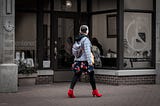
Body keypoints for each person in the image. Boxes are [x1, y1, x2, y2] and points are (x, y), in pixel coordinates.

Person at [67, 25, 102, 98]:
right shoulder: (86, 39)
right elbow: (87, 52)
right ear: (87, 31)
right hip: (85, 62)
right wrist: (90, 63)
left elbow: (74, 52)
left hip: (77, 61)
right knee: (91, 76)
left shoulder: (77, 39)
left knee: (76, 75)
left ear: (80, 31)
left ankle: (70, 91)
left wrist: (76, 58)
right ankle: (95, 91)